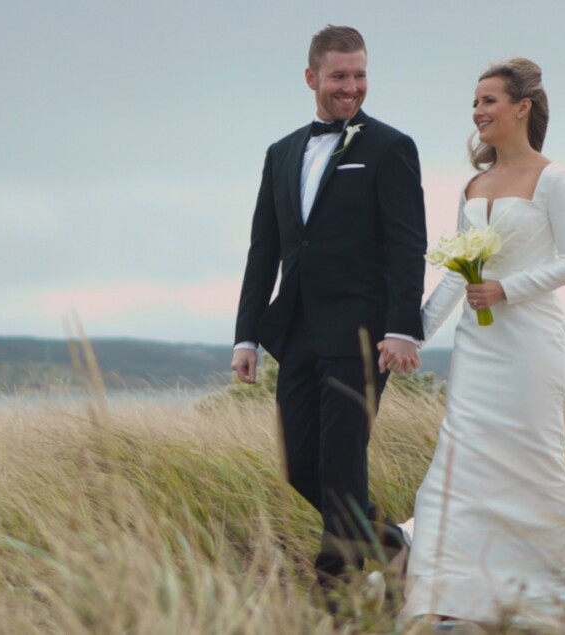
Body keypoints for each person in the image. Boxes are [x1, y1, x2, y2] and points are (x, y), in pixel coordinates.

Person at [231, 25, 427, 590]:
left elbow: (406, 243)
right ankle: (395, 545)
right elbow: (264, 248)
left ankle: (335, 589)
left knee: (342, 465)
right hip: (296, 332)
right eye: (340, 75)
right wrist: (246, 336)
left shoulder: (391, 147)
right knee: (301, 467)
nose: (351, 87)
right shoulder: (282, 152)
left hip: (363, 334)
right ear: (312, 77)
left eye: (360, 75)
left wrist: (401, 328)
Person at [400, 57, 565, 628]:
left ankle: (538, 607)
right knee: (456, 468)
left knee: (529, 467)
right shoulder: (473, 184)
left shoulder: (554, 179)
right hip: (476, 352)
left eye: (489, 101)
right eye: (475, 104)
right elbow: (459, 273)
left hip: (531, 345)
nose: (478, 112)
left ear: (522, 108)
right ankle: (450, 602)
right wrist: (411, 335)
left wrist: (507, 289)